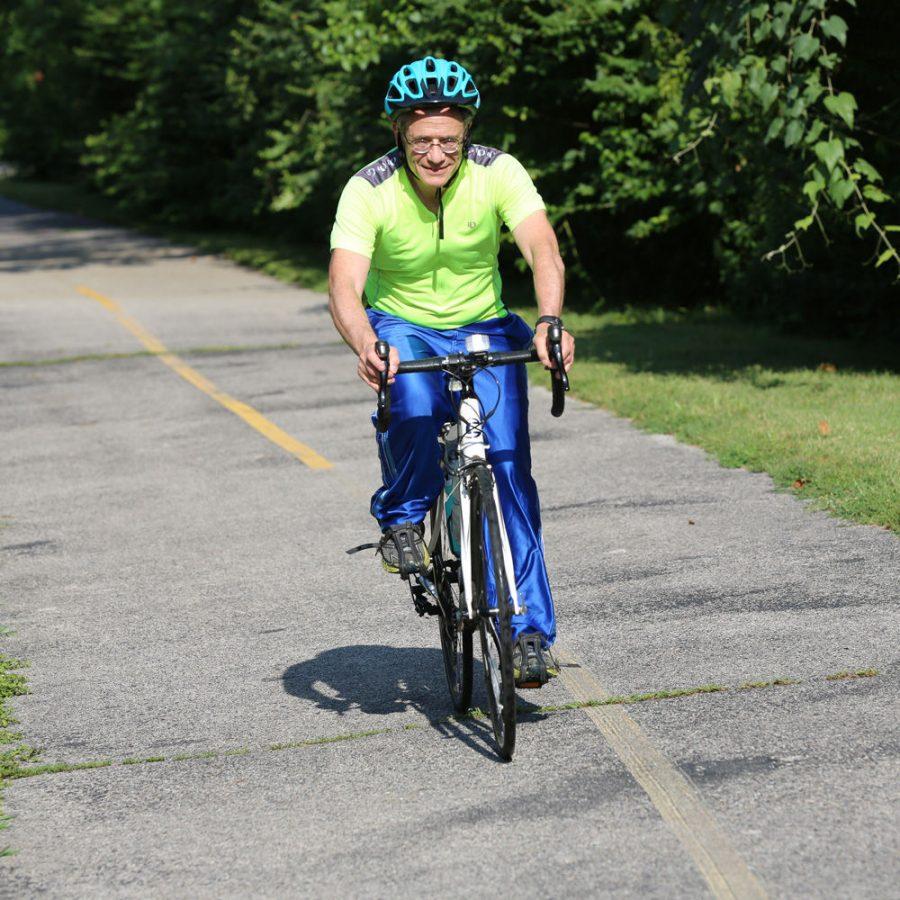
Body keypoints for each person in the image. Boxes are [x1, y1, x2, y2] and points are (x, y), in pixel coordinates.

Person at [328, 56, 574, 686]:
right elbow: (344, 288)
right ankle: (404, 516)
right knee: (410, 404)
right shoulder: (369, 189)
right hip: (403, 325)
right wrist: (366, 343)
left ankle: (527, 634)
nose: (435, 153)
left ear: (466, 131)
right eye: (421, 141)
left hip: (484, 324)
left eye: (447, 139)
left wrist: (548, 321)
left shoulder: (499, 172)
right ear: (398, 136)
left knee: (511, 471)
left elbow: (541, 245)